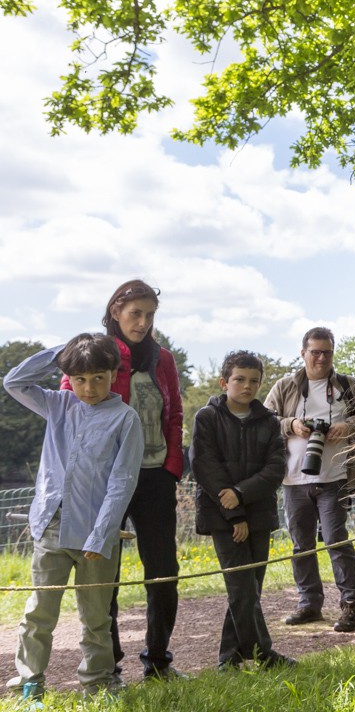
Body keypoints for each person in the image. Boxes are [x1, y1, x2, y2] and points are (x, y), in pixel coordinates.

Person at [4, 335, 145, 701]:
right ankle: (29, 686)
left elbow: (122, 482)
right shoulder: (56, 404)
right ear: (68, 378)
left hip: (96, 537)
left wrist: (101, 536)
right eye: (80, 379)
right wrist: (63, 353)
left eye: (98, 377)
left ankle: (97, 684)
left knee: (96, 618)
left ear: (113, 374)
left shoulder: (125, 419)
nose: (89, 387)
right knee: (39, 614)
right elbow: (13, 382)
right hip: (50, 528)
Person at [65, 280, 185, 679]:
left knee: (163, 574)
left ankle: (158, 660)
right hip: (104, 481)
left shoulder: (163, 358)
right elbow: (68, 408)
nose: (144, 322)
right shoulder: (95, 353)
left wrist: (171, 467)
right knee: (105, 576)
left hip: (153, 478)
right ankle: (108, 664)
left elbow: (174, 415)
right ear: (115, 311)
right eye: (136, 313)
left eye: (150, 315)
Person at [190, 350, 295, 670]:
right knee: (241, 588)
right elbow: (204, 466)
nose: (247, 386)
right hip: (222, 517)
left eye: (254, 381)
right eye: (239, 379)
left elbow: (276, 468)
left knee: (250, 589)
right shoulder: (206, 418)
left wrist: (241, 493)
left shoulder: (269, 422)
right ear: (224, 382)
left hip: (259, 514)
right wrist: (234, 513)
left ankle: (230, 657)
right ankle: (262, 653)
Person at [264, 327, 355, 632]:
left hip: (335, 477)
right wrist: (292, 423)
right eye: (315, 352)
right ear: (303, 353)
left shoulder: (349, 386)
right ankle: (309, 604)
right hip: (293, 478)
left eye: (327, 352)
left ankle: (352, 604)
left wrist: (347, 426)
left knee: (336, 539)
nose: (321, 358)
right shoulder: (286, 386)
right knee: (301, 545)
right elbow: (264, 420)